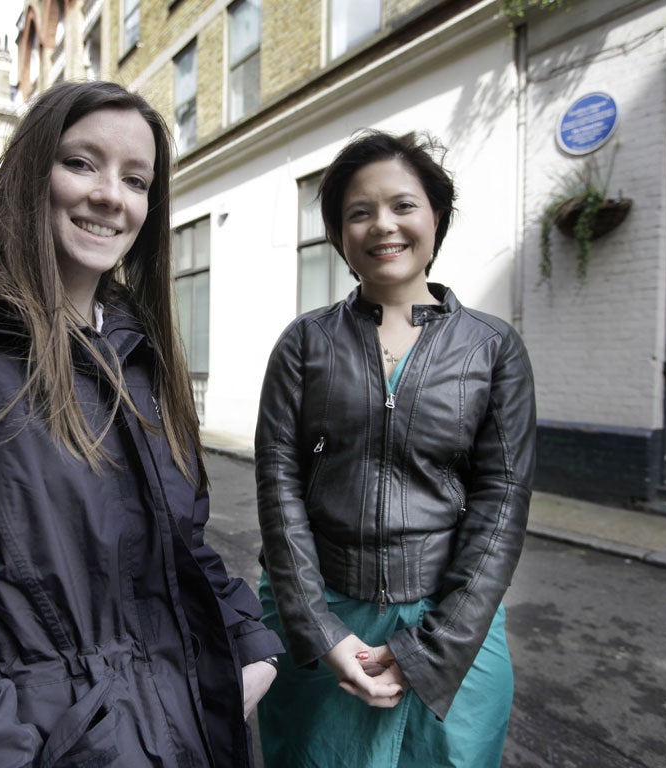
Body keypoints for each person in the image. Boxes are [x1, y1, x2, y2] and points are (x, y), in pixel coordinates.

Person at [0, 80, 283, 768]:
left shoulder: (138, 348)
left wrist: (249, 646)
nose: (110, 195)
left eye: (136, 179)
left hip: (185, 728)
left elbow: (184, 543)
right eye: (81, 163)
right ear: (29, 173)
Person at [254, 130, 536, 767]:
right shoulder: (303, 343)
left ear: (437, 216)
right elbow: (278, 485)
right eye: (360, 211)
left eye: (403, 205)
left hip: (449, 621)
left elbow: (502, 502)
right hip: (321, 614)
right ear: (339, 236)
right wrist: (322, 631)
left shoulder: (493, 348)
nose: (383, 225)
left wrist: (431, 651)